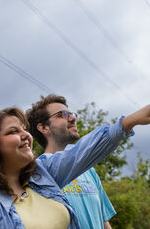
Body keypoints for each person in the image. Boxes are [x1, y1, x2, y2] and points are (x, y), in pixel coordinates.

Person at [0, 95, 150, 229]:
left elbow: (84, 151)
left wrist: (130, 121)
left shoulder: (43, 176)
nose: (25, 135)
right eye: (13, 131)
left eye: (24, 130)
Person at [25, 95, 114, 229]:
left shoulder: (89, 171)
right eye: (62, 115)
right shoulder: (37, 174)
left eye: (71, 114)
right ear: (44, 128)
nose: (72, 118)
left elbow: (103, 221)